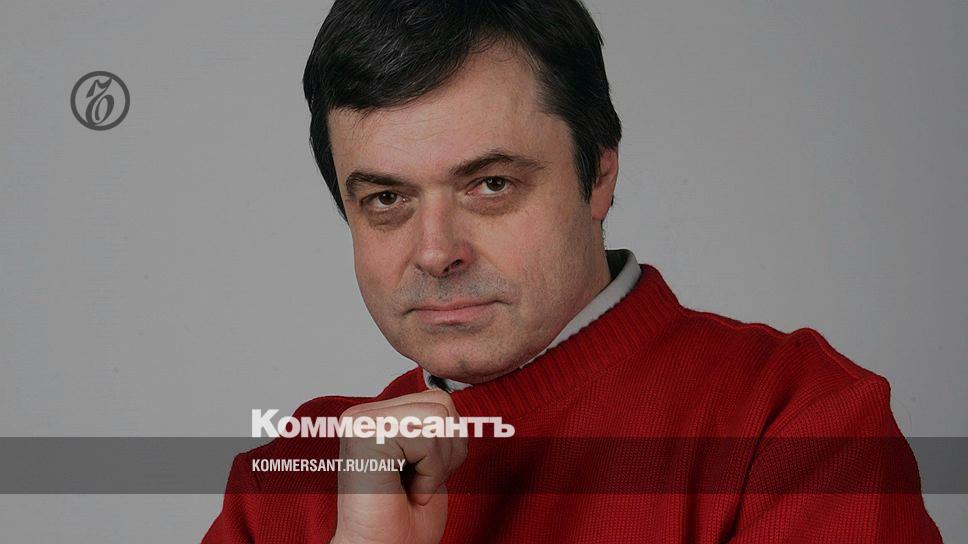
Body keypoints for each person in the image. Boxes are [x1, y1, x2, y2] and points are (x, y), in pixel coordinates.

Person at [203, 1, 943, 542]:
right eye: (387, 199)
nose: (435, 251)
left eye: (491, 184)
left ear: (599, 176)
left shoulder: (796, 425)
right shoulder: (291, 480)